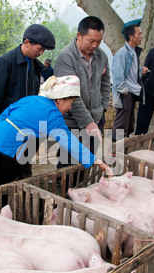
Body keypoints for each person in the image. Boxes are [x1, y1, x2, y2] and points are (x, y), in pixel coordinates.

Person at [0, 75, 113, 188]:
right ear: (60, 99)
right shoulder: (53, 115)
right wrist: (99, 162)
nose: (70, 108)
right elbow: (70, 143)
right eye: (71, 102)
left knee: (2, 179)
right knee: (3, 186)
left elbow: (4, 114)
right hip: (8, 150)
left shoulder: (32, 99)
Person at [0, 24, 55, 203]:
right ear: (27, 43)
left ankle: (18, 212)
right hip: (8, 133)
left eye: (44, 50)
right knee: (3, 179)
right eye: (39, 49)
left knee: (23, 173)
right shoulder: (5, 63)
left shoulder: (36, 68)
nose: (41, 53)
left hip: (28, 134)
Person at [54, 16, 110, 168]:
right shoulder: (66, 57)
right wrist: (88, 122)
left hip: (97, 115)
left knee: (89, 157)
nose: (95, 45)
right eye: (91, 41)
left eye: (99, 41)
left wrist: (103, 106)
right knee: (69, 159)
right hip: (73, 119)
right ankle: (64, 187)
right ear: (79, 35)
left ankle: (83, 186)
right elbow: (70, 94)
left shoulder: (102, 56)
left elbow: (105, 83)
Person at [111, 24, 145, 141]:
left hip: (131, 91)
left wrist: (141, 71)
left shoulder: (134, 52)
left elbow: (131, 71)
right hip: (125, 92)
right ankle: (116, 152)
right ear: (131, 37)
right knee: (121, 123)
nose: (141, 36)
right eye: (139, 34)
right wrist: (124, 91)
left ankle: (124, 148)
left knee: (129, 123)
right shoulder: (122, 53)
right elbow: (118, 75)